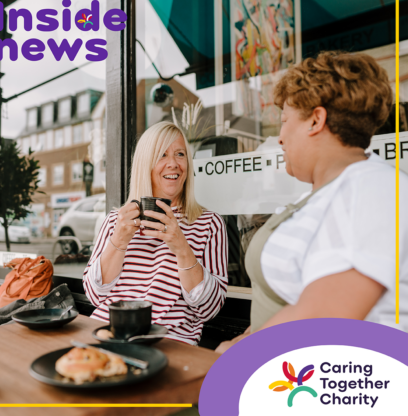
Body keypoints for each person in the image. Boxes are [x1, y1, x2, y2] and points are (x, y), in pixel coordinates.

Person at [216, 51, 408, 354]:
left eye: (284, 120)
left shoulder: (372, 189)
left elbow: (324, 316)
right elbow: (291, 303)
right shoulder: (322, 196)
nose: (279, 138)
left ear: (316, 120)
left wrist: (234, 358)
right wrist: (244, 339)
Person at [83, 121, 228, 345]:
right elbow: (94, 295)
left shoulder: (209, 223)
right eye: (162, 155)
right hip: (107, 334)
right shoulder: (116, 220)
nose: (173, 164)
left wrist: (181, 245)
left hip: (169, 343)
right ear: (145, 164)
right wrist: (119, 240)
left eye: (180, 154)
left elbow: (208, 309)